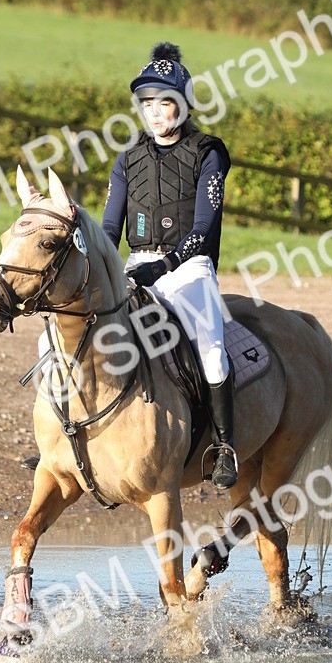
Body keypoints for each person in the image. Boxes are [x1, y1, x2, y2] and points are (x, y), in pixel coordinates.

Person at [101, 41, 238, 490]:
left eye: (165, 102)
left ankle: (223, 446)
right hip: (136, 262)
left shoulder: (208, 152)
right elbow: (108, 230)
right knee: (85, 328)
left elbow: (203, 228)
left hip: (189, 267)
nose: (155, 112)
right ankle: (69, 436)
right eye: (147, 104)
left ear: (183, 104)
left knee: (211, 348)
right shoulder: (127, 160)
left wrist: (162, 268)